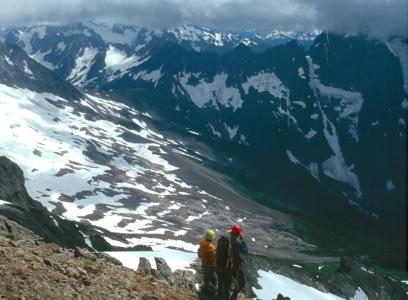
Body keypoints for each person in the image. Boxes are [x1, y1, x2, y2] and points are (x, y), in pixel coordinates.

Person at [229, 224, 248, 300]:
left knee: (236, 281)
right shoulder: (236, 243)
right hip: (237, 265)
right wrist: (242, 240)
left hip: (232, 263)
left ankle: (232, 296)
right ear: (237, 233)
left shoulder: (230, 238)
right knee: (241, 283)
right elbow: (245, 251)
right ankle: (233, 297)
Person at [197, 229, 217, 299]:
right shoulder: (212, 248)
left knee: (206, 281)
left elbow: (199, 255)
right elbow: (214, 259)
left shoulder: (201, 246)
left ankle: (204, 294)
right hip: (212, 267)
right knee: (213, 281)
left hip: (204, 266)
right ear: (212, 238)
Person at [216, 235, 231, 300]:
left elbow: (217, 253)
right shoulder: (228, 245)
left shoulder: (220, 242)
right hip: (225, 266)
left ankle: (219, 295)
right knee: (226, 283)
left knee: (220, 281)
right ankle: (225, 297)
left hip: (219, 264)